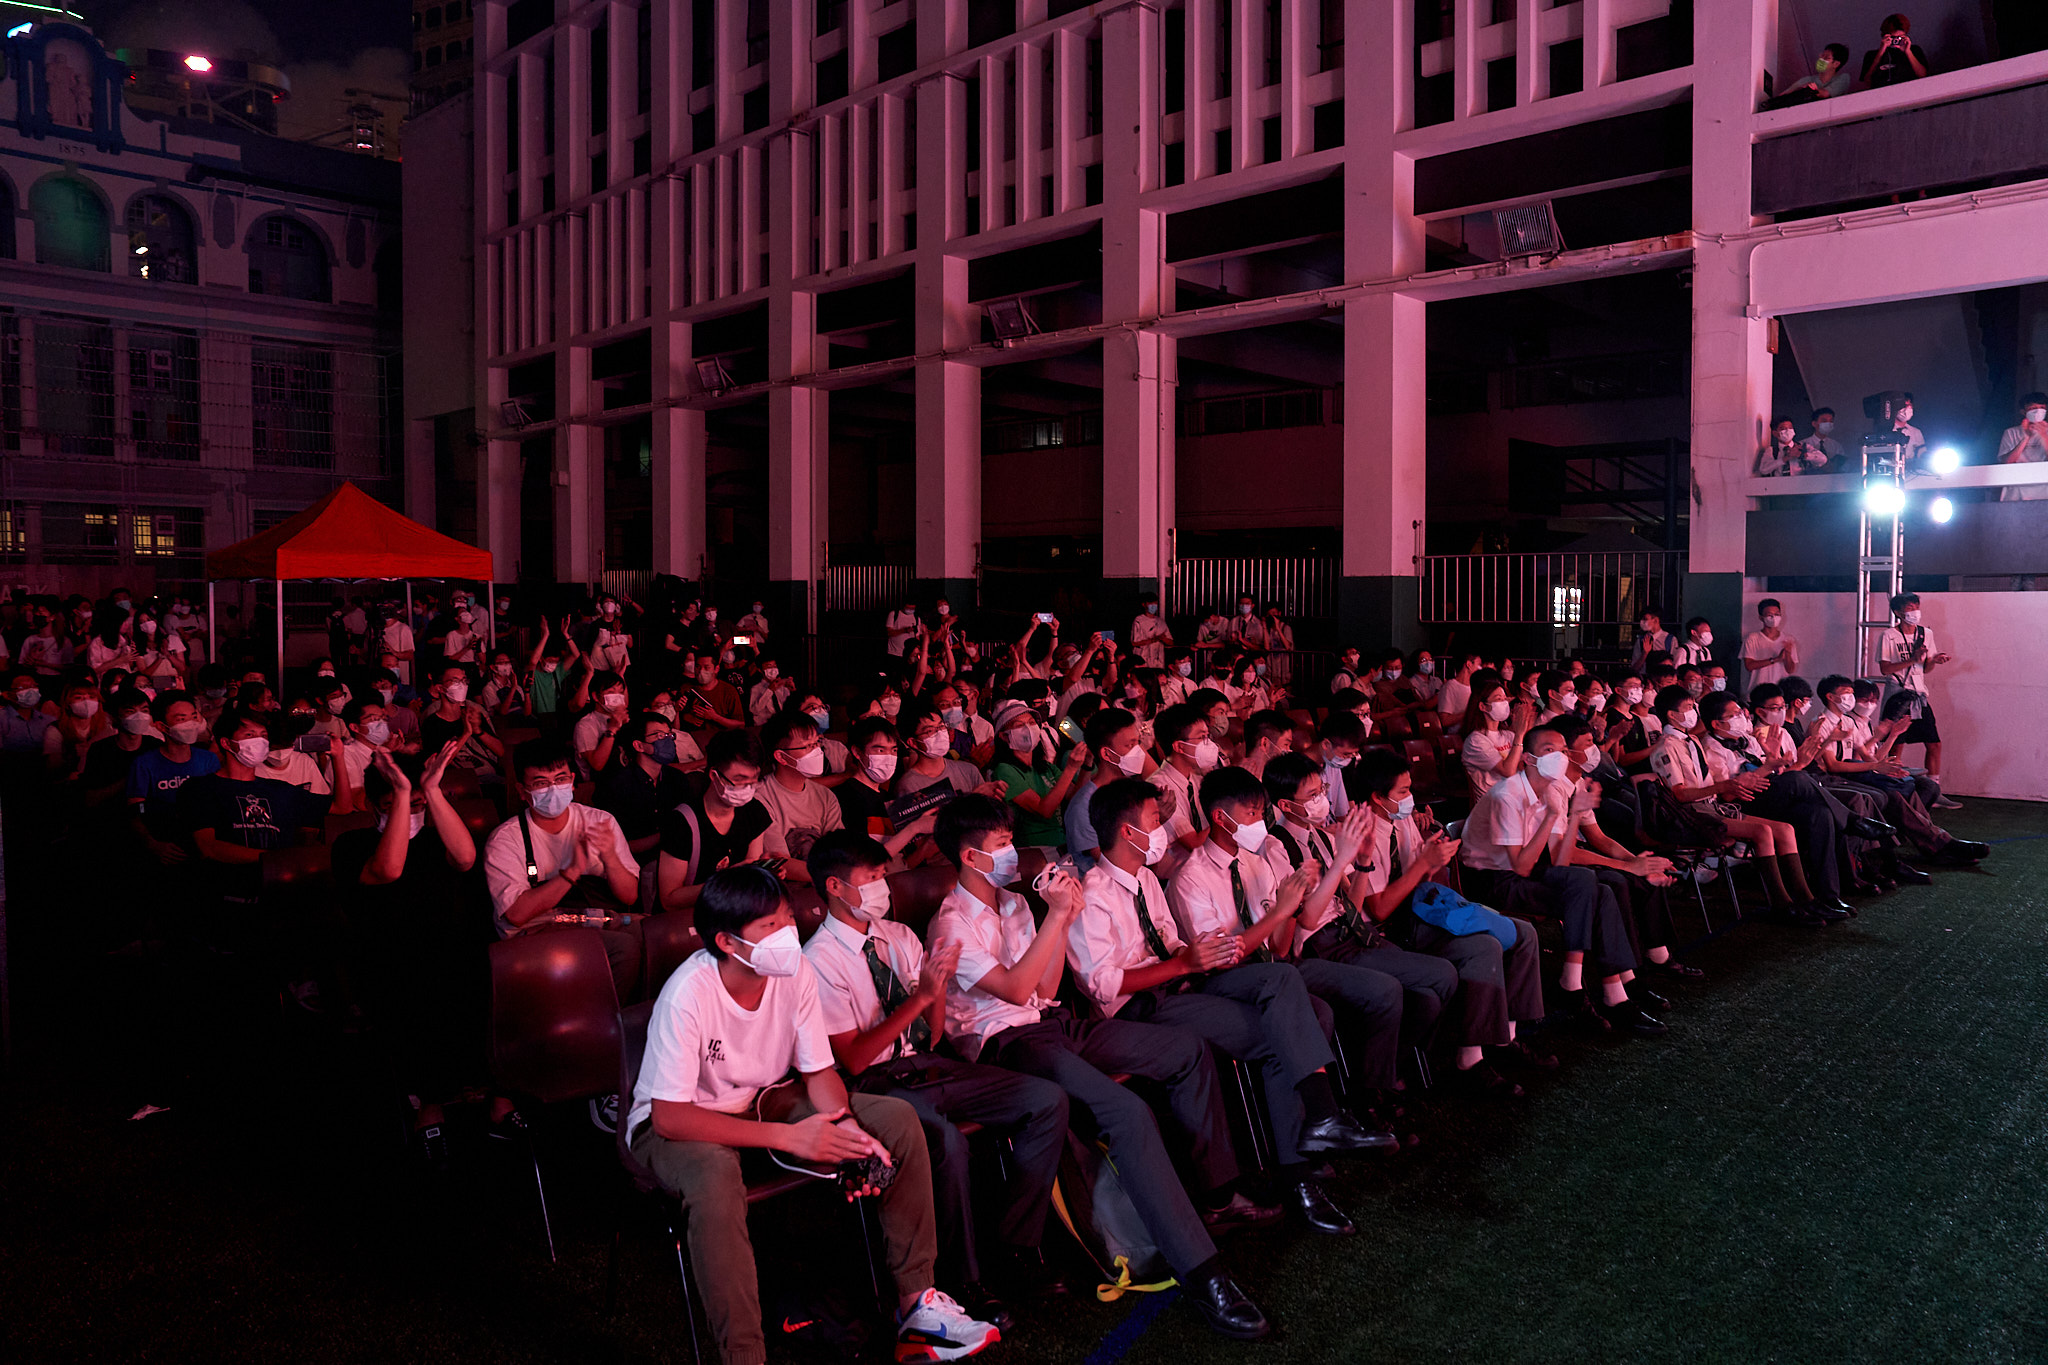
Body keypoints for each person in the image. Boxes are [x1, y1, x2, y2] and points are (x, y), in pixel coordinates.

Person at [925, 795, 1276, 1340]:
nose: (1013, 853)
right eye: (1002, 845)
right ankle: (1204, 1273)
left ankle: (1217, 1195)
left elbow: (1044, 989)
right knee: (1126, 1112)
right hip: (1009, 1045)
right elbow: (1014, 991)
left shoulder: (1014, 905)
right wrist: (1059, 916)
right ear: (971, 857)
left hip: (1054, 1023)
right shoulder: (950, 923)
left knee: (1184, 1051)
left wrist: (1061, 917)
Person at [629, 864, 999, 1365]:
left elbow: (819, 1071)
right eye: (769, 926)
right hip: (681, 1122)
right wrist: (789, 1139)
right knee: (714, 1180)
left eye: (787, 918)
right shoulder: (688, 993)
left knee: (893, 1120)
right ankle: (744, 1355)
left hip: (765, 1097)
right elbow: (670, 1117)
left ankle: (918, 1307)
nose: (787, 932)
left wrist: (845, 1125)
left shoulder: (794, 970)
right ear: (727, 942)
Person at [803, 831, 1072, 1315]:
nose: (882, 886)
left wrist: (939, 989)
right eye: (871, 878)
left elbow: (932, 1035)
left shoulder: (899, 936)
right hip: (877, 1085)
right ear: (835, 887)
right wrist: (923, 997)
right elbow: (855, 1059)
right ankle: (964, 1278)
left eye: (883, 874)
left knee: (1046, 1101)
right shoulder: (818, 960)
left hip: (928, 1065)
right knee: (946, 1141)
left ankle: (1016, 1245)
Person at [1459, 724, 1660, 1033]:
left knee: (1599, 889)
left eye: (1563, 750)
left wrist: (1574, 815)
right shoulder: (1507, 795)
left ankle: (1610, 993)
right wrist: (1554, 816)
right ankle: (1575, 984)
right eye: (1549, 750)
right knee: (1586, 882)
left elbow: (1561, 862)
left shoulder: (1548, 791)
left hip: (1524, 871)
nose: (1560, 757)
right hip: (1492, 880)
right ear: (1528, 759)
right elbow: (1521, 867)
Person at [1645, 686, 1840, 925]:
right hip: (1692, 813)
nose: (1693, 712)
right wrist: (1726, 786)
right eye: (1688, 708)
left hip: (1713, 806)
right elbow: (1680, 794)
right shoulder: (1666, 746)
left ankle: (1807, 899)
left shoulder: (1691, 740)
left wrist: (1765, 765)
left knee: (1785, 829)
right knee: (1763, 830)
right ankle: (1782, 904)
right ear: (1672, 715)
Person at [482, 737, 643, 992]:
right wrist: (572, 871)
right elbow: (516, 915)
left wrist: (610, 857)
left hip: (592, 916)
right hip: (536, 930)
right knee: (622, 948)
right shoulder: (506, 839)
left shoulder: (600, 821)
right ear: (522, 791)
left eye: (560, 779)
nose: (553, 789)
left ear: (572, 781)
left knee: (650, 932)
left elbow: (630, 895)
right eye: (540, 783)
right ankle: (606, 1013)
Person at [655, 729, 774, 913]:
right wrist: (726, 882)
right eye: (739, 780)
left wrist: (764, 875)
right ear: (714, 775)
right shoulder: (682, 822)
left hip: (735, 912)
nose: (747, 789)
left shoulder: (754, 812)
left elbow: (751, 867)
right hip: (691, 917)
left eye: (753, 781)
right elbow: (669, 899)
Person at [127, 690, 219, 865]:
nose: (190, 724)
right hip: (165, 845)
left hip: (203, 847)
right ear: (161, 726)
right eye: (181, 719)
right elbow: (135, 811)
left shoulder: (208, 760)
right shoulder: (144, 763)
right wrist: (152, 844)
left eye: (193, 717)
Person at [987, 699, 1088, 855]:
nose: (1028, 728)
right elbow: (1044, 810)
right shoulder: (1005, 770)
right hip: (1034, 851)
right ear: (1004, 736)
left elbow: (1077, 797)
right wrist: (1070, 769)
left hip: (1062, 844)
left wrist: (1087, 764)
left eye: (1032, 722)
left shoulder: (1046, 767)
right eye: (1019, 725)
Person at [753, 710, 844, 880]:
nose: (816, 751)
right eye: (807, 746)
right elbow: (779, 862)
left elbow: (839, 850)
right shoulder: (760, 797)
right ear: (781, 756)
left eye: (817, 743)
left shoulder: (825, 796)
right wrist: (835, 877)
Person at [593, 711, 698, 859]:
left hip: (677, 856)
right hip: (634, 862)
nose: (667, 740)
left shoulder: (677, 778)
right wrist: (666, 835)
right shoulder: (616, 785)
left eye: (669, 735)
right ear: (639, 745)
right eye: (659, 736)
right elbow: (618, 845)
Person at [1875, 592, 1951, 785]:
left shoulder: (1926, 633)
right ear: (1898, 612)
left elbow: (1926, 668)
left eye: (1916, 607)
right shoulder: (1889, 636)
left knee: (1934, 743)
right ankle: (1895, 785)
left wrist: (1935, 660)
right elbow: (1885, 669)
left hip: (1919, 694)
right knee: (1896, 744)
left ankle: (1934, 785)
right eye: (1909, 608)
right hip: (1898, 694)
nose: (1915, 612)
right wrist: (1912, 659)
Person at [1459, 673, 1532, 800]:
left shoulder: (1508, 735)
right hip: (1493, 803)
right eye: (1499, 699)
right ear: (1483, 706)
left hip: (1513, 797)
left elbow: (1522, 768)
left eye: (1505, 699)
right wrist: (1519, 734)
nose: (1504, 703)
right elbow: (1508, 771)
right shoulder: (1475, 741)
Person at [1997, 392, 2048, 507]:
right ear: (2024, 412)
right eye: (2033, 408)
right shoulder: (2011, 432)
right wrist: (2026, 437)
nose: (2038, 411)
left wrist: (2044, 436)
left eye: (2042, 407)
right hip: (2017, 487)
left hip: (2044, 487)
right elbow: (2006, 461)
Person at [1767, 42, 1853, 106]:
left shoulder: (1843, 78)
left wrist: (1812, 90)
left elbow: (1825, 94)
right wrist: (1800, 89)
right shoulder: (1807, 80)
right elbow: (1783, 96)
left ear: (1836, 64)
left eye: (1826, 58)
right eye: (1821, 56)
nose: (1821, 60)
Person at [1742, 599, 1800, 691]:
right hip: (1758, 690)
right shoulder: (1752, 638)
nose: (1774, 618)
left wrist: (1788, 654)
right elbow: (1749, 666)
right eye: (1770, 615)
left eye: (1777, 614)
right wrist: (1775, 659)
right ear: (1761, 617)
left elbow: (1790, 670)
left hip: (1780, 691)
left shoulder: (1788, 639)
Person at [1861, 13, 1929, 88]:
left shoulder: (1915, 50)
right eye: (1893, 37)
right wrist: (1881, 51)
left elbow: (1923, 75)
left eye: (1900, 37)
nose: (1896, 40)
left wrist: (1908, 52)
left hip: (1911, 90)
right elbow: (1867, 81)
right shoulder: (1871, 55)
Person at [1131, 590, 1173, 669]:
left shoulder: (1161, 622)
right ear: (1144, 604)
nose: (1153, 605)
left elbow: (1171, 642)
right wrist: (1153, 640)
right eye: (1150, 603)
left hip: (1158, 662)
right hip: (1142, 660)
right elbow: (1134, 643)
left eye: (1155, 603)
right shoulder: (1138, 620)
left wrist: (1163, 639)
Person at [1800, 407, 1844, 471]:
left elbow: (1842, 467)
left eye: (1831, 421)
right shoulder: (1803, 444)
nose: (1828, 424)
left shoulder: (1836, 446)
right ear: (1814, 423)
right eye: (1824, 421)